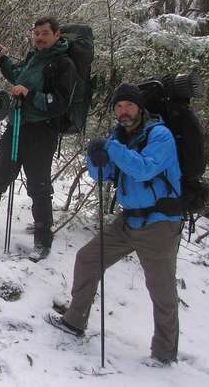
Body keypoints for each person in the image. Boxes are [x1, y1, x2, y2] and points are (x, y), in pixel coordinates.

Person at [47, 82, 183, 367]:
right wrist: (95, 157)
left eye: (129, 105)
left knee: (161, 291)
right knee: (88, 259)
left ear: (140, 108)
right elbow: (104, 175)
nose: (123, 111)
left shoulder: (160, 135)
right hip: (128, 220)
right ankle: (75, 321)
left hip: (159, 224)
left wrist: (111, 147)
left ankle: (164, 354)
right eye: (118, 106)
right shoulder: (120, 137)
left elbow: (144, 168)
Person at [0, 16, 76, 260]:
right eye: (36, 33)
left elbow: (59, 103)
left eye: (45, 33)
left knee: (38, 186)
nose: (39, 37)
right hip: (17, 126)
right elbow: (18, 76)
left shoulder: (64, 64)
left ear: (57, 35)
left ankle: (43, 241)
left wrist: (29, 94)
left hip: (42, 132)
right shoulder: (34, 58)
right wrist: (3, 59)